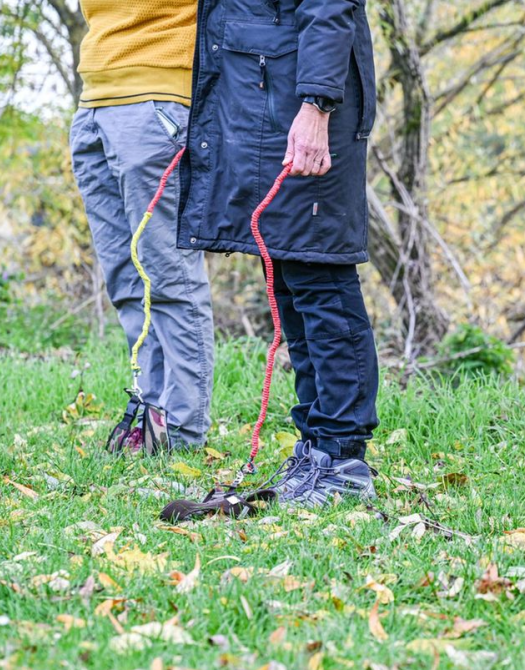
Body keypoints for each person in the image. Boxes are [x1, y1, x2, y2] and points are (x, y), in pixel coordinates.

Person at [176, 0, 380, 504]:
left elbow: (330, 6)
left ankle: (343, 459)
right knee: (291, 278)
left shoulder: (315, 105)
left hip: (306, 109)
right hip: (269, 109)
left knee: (321, 277)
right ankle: (316, 450)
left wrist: (316, 104)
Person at [70, 0, 215, 451]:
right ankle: (152, 416)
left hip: (157, 100)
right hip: (94, 101)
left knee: (168, 275)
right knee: (126, 279)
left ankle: (183, 430)